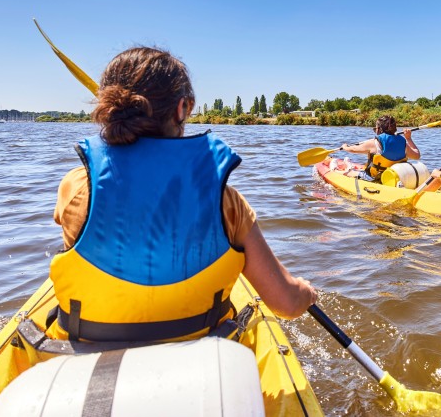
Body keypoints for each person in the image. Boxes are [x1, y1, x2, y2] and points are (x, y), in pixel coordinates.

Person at [49, 46, 316, 343]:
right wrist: (306, 291)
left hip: (88, 354)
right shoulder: (226, 203)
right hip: (200, 357)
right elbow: (287, 304)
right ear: (182, 108)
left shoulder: (75, 188)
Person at [339, 115, 420, 182]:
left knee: (349, 173)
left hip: (374, 178)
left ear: (379, 129)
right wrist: (409, 138)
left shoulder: (374, 143)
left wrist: (345, 147)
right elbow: (417, 156)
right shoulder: (403, 143)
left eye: (375, 128)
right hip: (394, 177)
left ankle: (336, 170)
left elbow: (353, 149)